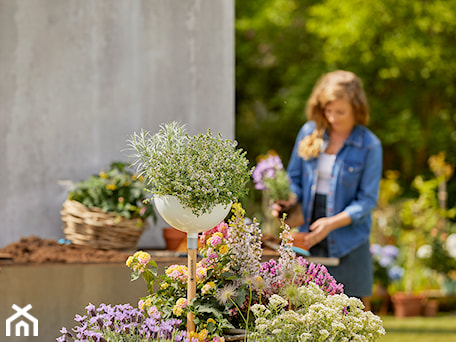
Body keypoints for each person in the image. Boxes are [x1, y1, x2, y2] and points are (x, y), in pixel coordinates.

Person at [272, 70, 382, 300]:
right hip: (308, 236)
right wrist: (288, 198)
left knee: (351, 319)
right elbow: (295, 179)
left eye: (340, 111)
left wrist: (330, 224)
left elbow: (366, 201)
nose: (332, 117)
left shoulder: (369, 145)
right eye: (327, 110)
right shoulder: (309, 132)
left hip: (347, 242)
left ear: (356, 108)